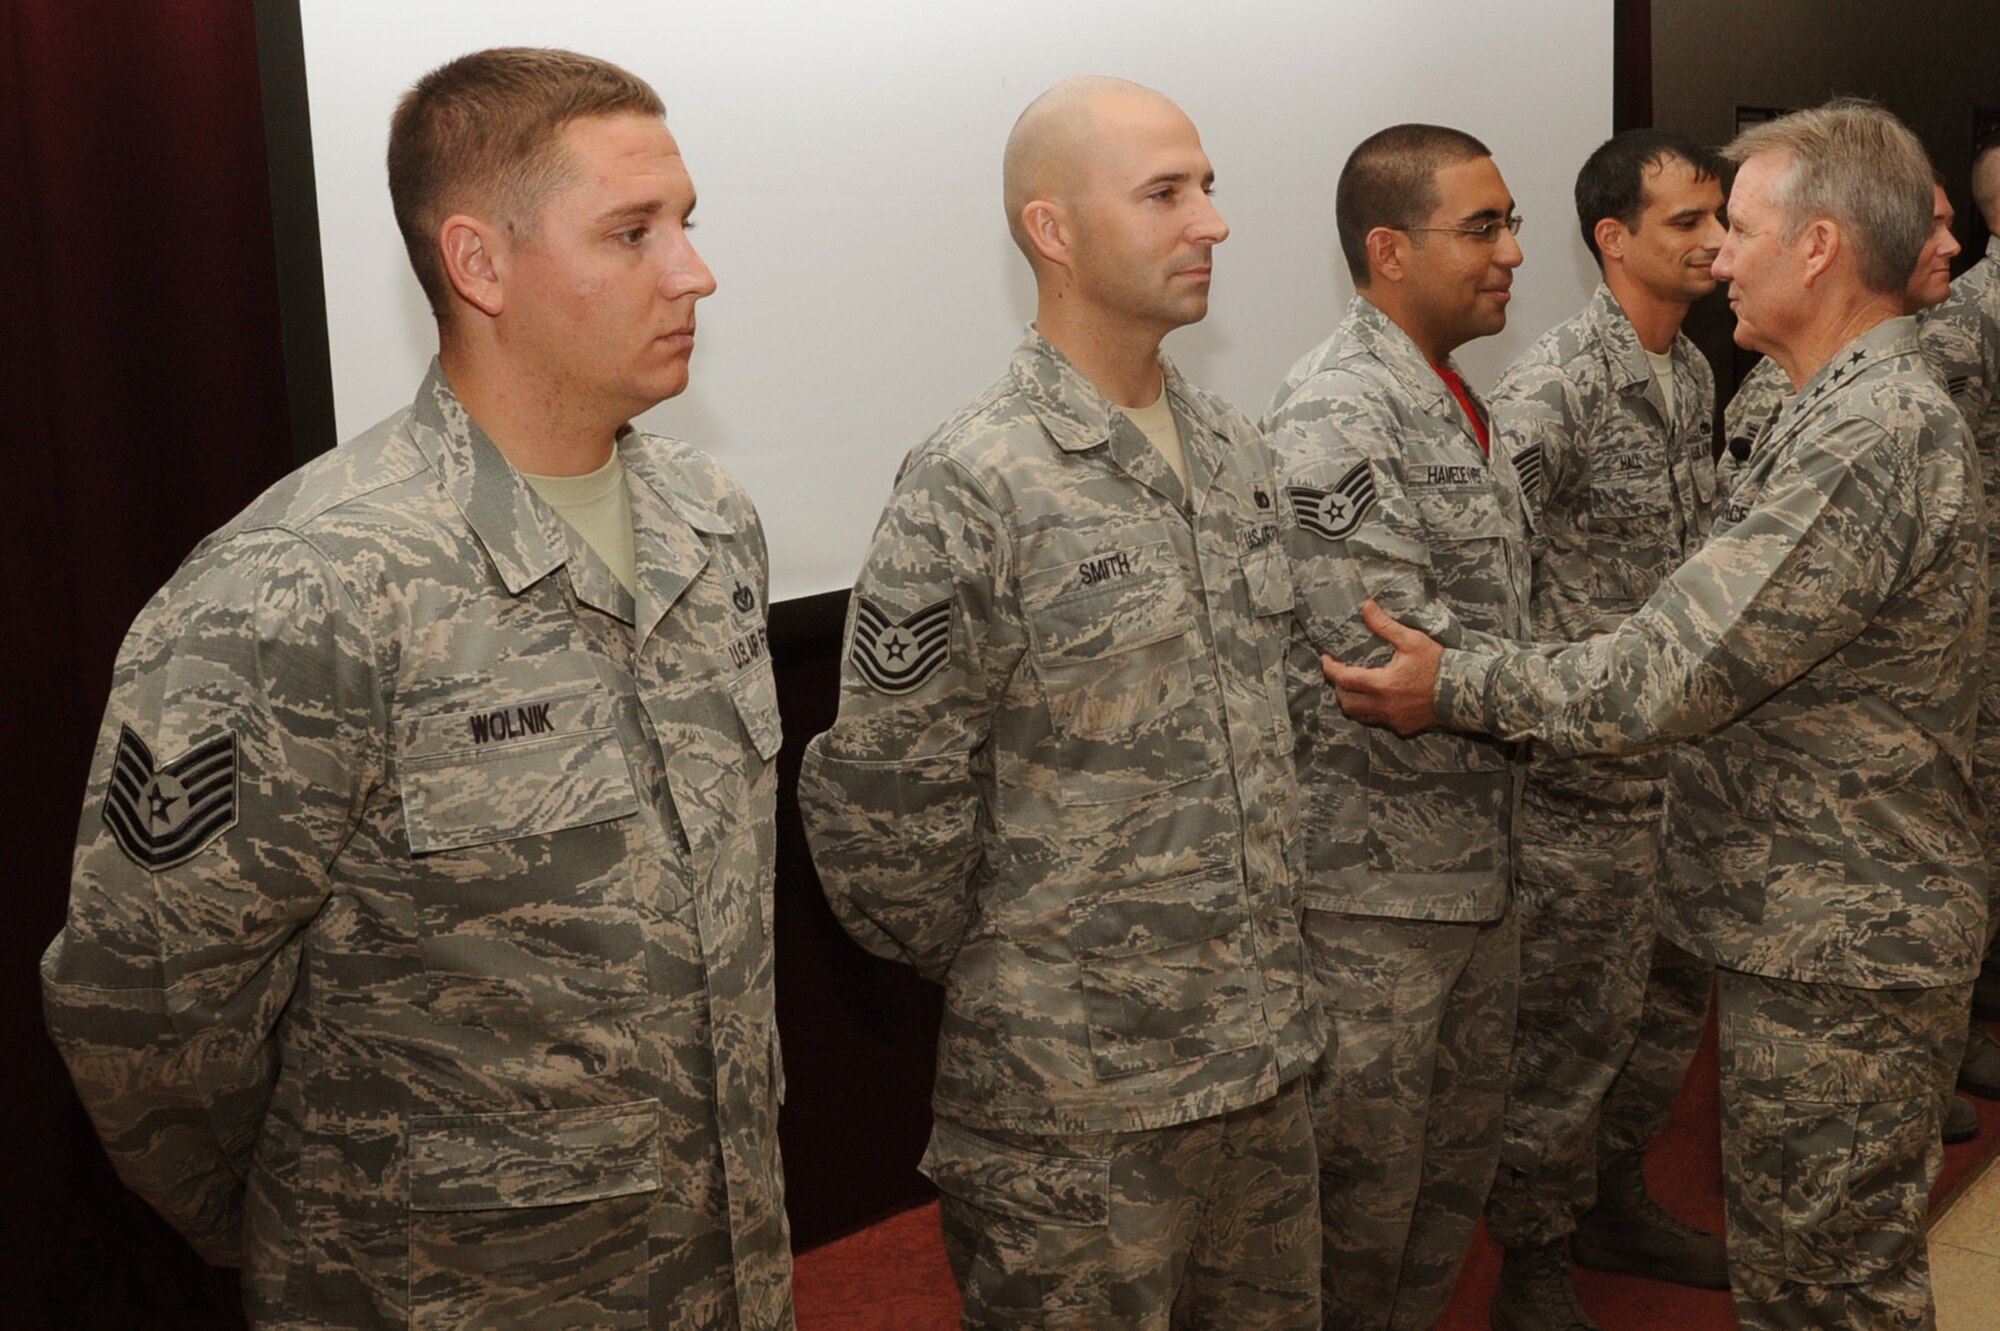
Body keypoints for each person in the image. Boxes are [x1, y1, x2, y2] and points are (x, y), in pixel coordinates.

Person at [41, 47, 793, 1331]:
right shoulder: (298, 585)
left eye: (686, 224)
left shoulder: (708, 523)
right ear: (478, 264)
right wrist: (306, 1221)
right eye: (632, 231)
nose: (694, 271)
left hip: (725, 1262)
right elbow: (149, 1004)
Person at [1326, 101, 1987, 1331]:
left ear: (1818, 248)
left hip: (1840, 929)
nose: (1717, 254)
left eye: (1735, 227)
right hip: (1804, 905)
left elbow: (1665, 670)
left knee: (1824, 1292)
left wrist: (1451, 684)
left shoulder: (1867, 430)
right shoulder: (1815, 404)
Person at [798, 76, 1323, 1330]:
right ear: (1052, 230)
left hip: (1261, 1068)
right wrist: (1034, 972)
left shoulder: (1237, 449)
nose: (1212, 222)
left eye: (1206, 186)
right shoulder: (972, 480)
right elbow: (882, 810)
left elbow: (1276, 729)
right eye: (1163, 193)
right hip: (1073, 1108)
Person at [1263, 122, 1529, 1331]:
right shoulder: (1335, 408)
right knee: (1354, 1229)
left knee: (1439, 1203)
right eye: (1482, 226)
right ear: (1386, 246)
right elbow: (1386, 652)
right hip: (1376, 898)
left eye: (1508, 220)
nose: (1512, 251)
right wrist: (1579, 686)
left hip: (1473, 871)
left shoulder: (1448, 396)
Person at [1479, 129, 1730, 1331]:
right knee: (1568, 1033)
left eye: (1718, 216)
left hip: (1676, 772)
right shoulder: (1550, 390)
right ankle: (1531, 1257)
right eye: (1687, 221)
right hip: (1578, 792)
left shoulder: (1687, 372)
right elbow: (1490, 575)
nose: (1714, 240)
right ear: (1612, 239)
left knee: (1662, 1010)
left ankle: (1614, 1194)